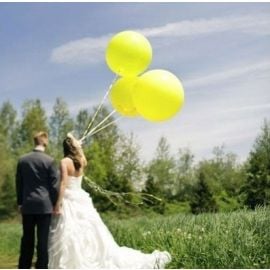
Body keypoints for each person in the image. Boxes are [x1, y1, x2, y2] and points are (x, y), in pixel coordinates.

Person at [49, 133, 171, 269]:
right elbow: (82, 158)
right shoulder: (82, 160)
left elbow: (63, 184)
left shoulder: (64, 162)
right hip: (81, 199)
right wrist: (79, 147)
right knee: (89, 230)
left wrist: (57, 204)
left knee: (69, 232)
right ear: (75, 147)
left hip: (69, 200)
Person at [16, 131, 59, 269]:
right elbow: (54, 186)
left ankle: (24, 266)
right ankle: (41, 267)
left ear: (35, 142)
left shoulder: (23, 160)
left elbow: (19, 183)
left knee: (27, 239)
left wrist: (20, 203)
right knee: (42, 241)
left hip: (27, 205)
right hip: (44, 206)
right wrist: (55, 204)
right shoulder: (50, 161)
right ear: (45, 141)